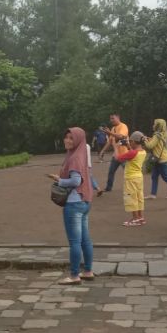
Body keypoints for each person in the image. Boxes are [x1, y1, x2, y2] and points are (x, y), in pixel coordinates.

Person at [48, 127, 94, 285]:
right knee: (85, 240)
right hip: (84, 201)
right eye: (66, 137)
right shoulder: (81, 155)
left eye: (71, 138)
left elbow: (76, 181)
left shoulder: (74, 158)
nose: (67, 140)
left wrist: (59, 180)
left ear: (78, 140)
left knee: (75, 241)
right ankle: (88, 271)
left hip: (74, 203)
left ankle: (74, 275)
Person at [143, 119, 167, 199]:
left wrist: (144, 140)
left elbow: (149, 146)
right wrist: (149, 139)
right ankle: (153, 194)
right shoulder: (163, 134)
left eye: (154, 124)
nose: (153, 125)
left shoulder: (157, 135)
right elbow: (156, 143)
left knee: (166, 177)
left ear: (158, 126)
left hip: (160, 159)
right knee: (154, 176)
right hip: (160, 159)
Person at [118, 131, 147, 226]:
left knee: (131, 198)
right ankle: (140, 217)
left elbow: (118, 158)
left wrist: (116, 146)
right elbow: (132, 153)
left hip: (130, 178)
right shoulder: (143, 151)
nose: (129, 143)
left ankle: (135, 219)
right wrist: (128, 146)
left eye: (130, 141)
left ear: (134, 142)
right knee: (139, 197)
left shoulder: (133, 153)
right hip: (138, 177)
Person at [97, 113, 130, 195]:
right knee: (111, 171)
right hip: (116, 155)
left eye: (113, 118)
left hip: (124, 155)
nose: (111, 120)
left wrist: (109, 133)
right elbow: (110, 141)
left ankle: (130, 188)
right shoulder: (113, 128)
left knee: (128, 173)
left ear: (118, 118)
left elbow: (121, 137)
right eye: (110, 119)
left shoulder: (123, 126)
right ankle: (108, 187)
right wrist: (102, 151)